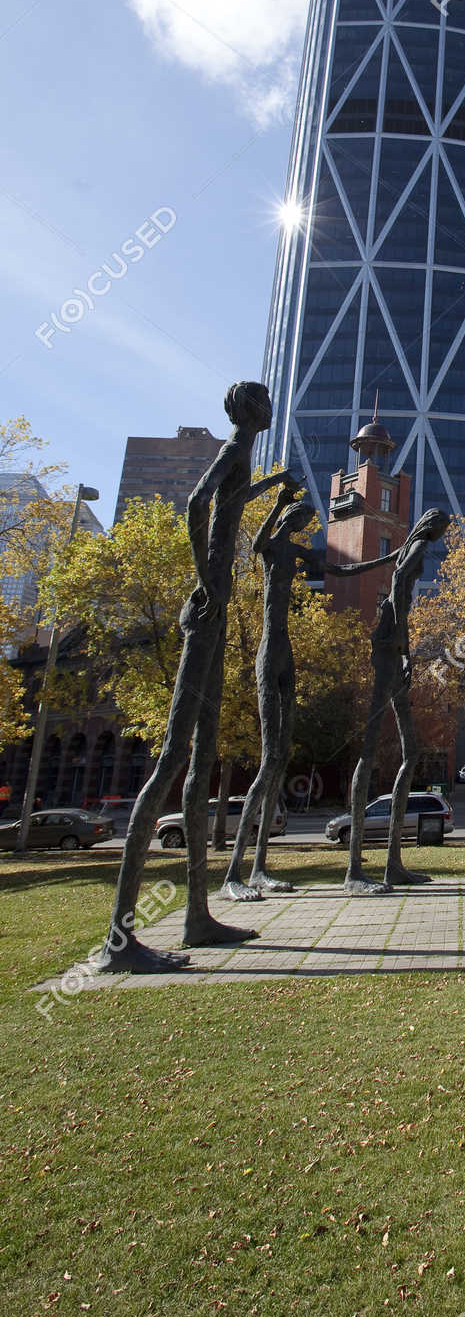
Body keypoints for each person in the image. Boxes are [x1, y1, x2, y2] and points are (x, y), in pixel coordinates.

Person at [95, 382, 297, 972]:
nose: (268, 408)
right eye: (262, 402)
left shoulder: (246, 456)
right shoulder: (235, 447)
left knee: (203, 757)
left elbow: (231, 504)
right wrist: (206, 582)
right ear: (248, 410)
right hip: (207, 614)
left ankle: (197, 917)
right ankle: (119, 940)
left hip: (221, 608)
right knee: (172, 759)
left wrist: (273, 490)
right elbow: (197, 504)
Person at [220, 495, 398, 901]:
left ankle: (260, 867)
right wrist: (279, 500)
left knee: (281, 756)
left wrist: (386, 558)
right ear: (289, 517)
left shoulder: (298, 551)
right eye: (300, 518)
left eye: (306, 520)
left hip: (287, 648)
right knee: (268, 761)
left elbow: (341, 568)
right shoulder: (271, 547)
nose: (304, 525)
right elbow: (257, 541)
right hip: (269, 647)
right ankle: (235, 873)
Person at [343, 509, 450, 895]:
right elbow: (400, 588)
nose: (443, 535)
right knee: (370, 752)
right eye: (444, 528)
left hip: (391, 647)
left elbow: (383, 576)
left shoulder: (407, 546)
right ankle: (355, 870)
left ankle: (392, 864)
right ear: (434, 527)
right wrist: (406, 653)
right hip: (391, 652)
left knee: (412, 751)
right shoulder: (418, 547)